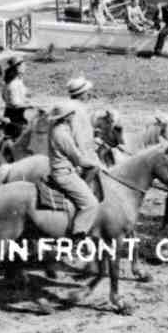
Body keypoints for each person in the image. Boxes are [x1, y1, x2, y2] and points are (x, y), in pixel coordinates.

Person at [45, 97, 102, 238]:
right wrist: (95, 164)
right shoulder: (61, 134)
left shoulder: (59, 128)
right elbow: (78, 159)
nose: (74, 115)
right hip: (65, 174)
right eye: (71, 113)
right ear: (65, 117)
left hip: (62, 169)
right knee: (91, 204)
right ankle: (78, 235)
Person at [0, 57, 30, 139]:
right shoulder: (14, 84)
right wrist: (31, 105)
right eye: (24, 65)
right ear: (17, 67)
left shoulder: (11, 82)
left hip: (11, 114)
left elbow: (4, 97)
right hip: (15, 117)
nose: (26, 67)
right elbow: (15, 105)